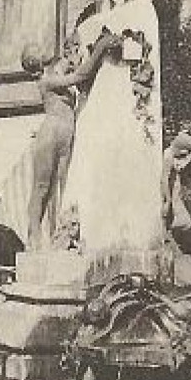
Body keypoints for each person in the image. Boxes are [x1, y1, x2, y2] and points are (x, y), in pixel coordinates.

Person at [58, 0, 167, 280]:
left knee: (115, 169)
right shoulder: (84, 20)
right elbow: (77, 65)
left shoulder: (138, 10)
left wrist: (111, 45)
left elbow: (141, 57)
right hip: (92, 109)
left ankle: (118, 240)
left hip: (123, 108)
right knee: (88, 167)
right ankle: (78, 235)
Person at [17, 36, 114, 249]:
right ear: (35, 62)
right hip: (51, 132)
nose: (45, 50)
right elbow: (81, 74)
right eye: (39, 50)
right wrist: (100, 48)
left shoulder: (54, 73)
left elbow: (72, 67)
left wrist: (73, 55)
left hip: (65, 134)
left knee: (63, 187)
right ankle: (33, 235)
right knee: (41, 187)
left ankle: (62, 233)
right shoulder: (46, 80)